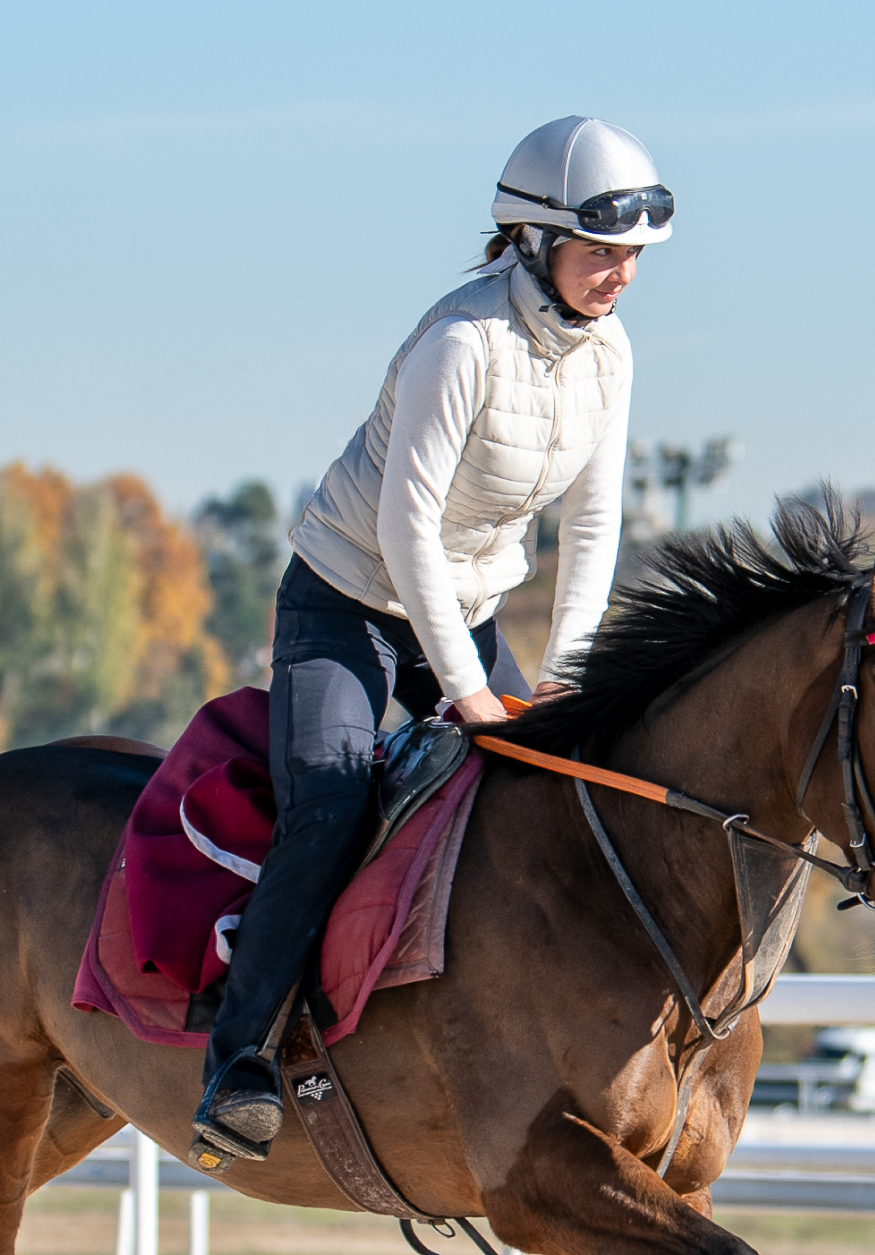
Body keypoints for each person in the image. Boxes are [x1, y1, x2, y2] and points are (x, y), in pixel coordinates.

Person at [193, 114, 670, 1163]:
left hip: (468, 602)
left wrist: (566, 683)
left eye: (632, 257)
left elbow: (593, 524)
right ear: (534, 242)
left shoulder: (611, 354)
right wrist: (467, 693)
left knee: (543, 790)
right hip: (347, 597)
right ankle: (237, 1058)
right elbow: (405, 529)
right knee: (329, 799)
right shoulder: (460, 343)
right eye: (601, 253)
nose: (620, 275)